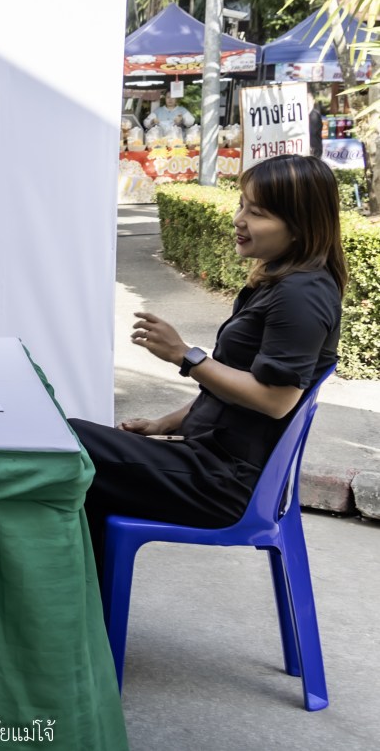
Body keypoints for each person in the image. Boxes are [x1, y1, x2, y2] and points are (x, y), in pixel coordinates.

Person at [70, 154, 345, 569]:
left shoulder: (301, 295)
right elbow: (233, 387)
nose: (239, 220)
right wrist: (164, 424)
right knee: (72, 449)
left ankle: (64, 601)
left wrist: (185, 356)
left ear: (300, 225)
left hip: (223, 482)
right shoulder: (281, 283)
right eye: (242, 205)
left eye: (257, 213)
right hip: (209, 463)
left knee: (68, 444)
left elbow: (275, 400)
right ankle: (82, 599)